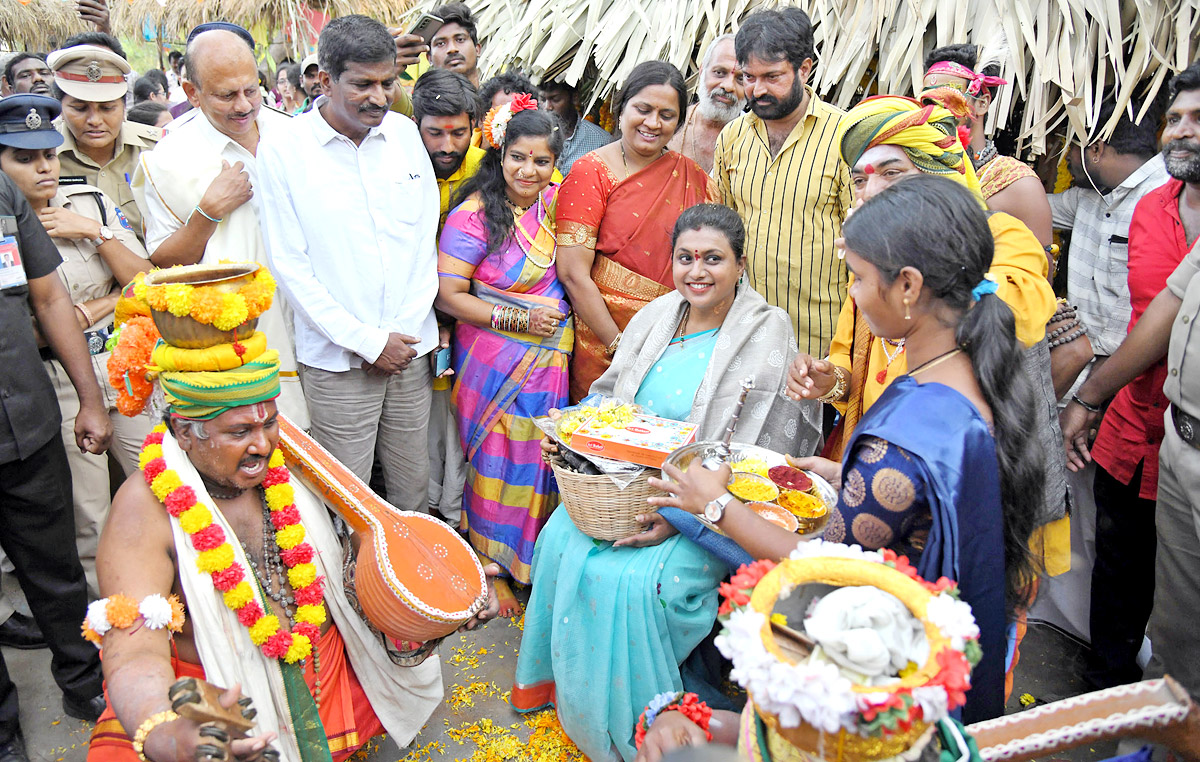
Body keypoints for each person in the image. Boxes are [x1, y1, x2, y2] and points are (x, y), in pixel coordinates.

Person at [656, 175, 1045, 723]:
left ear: (908, 285)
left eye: (858, 278)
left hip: (883, 661)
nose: (854, 295)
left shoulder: (903, 439)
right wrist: (850, 475)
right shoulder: (976, 373)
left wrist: (715, 503)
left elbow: (826, 566)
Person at [85, 275, 502, 761]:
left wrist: (445, 595)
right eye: (239, 431)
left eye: (268, 422)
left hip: (319, 658)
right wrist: (166, 732)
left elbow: (368, 556)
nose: (263, 445)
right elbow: (133, 649)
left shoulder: (295, 457)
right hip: (216, 691)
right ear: (185, 431)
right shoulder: (144, 507)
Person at [513, 204, 820, 762]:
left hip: (705, 509)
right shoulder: (658, 314)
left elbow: (752, 450)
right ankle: (572, 696)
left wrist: (677, 517)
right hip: (617, 490)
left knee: (631, 583)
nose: (697, 271)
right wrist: (574, 432)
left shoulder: (764, 327)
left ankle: (651, 723)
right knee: (559, 540)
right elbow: (609, 397)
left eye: (713, 259)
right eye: (686, 258)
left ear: (740, 264)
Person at [259, 16, 440, 513]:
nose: (379, 97)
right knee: (346, 500)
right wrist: (366, 341)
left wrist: (397, 337)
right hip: (338, 360)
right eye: (362, 84)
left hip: (408, 348)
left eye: (388, 82)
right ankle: (348, 591)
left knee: (412, 489)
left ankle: (410, 590)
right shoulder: (284, 151)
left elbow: (426, 240)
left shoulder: (405, 136)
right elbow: (290, 268)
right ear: (324, 79)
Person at [1061, 62, 1200, 705]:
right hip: (1138, 421)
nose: (1183, 133)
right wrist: (1090, 397)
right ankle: (1108, 703)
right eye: (1175, 119)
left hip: (1160, 419)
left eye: (1198, 120)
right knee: (1120, 567)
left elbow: (1143, 330)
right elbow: (1154, 325)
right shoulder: (1150, 207)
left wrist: (1088, 386)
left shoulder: (1152, 201)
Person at [0, 93, 152, 597]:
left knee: (164, 483)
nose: (43, 168)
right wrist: (99, 304)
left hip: (127, 364)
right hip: (60, 380)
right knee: (91, 515)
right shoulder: (8, 229)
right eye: (23, 159)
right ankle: (112, 624)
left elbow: (148, 282)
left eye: (47, 154)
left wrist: (96, 231)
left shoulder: (88, 201)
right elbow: (28, 327)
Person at [0, 97, 115, 762]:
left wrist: (90, 402)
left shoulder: (4, 199)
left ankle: (82, 681)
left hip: (26, 420)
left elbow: (48, 297)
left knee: (55, 569)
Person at [130, 24, 310, 428]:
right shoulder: (168, 158)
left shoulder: (294, 133)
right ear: (191, 92)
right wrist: (208, 213)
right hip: (237, 350)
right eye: (227, 95)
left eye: (252, 89)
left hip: (319, 335)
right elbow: (164, 265)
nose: (244, 105)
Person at [437, 103, 568, 606]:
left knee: (540, 457)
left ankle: (529, 561)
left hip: (550, 358)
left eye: (540, 161)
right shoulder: (472, 215)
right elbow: (449, 296)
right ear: (499, 152)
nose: (527, 171)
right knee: (497, 454)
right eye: (517, 157)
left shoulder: (559, 204)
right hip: (492, 358)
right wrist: (518, 319)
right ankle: (491, 561)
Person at [555, 60, 718, 402]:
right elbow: (572, 273)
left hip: (673, 343)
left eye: (667, 115)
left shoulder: (694, 178)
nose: (653, 123)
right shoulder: (590, 172)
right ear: (621, 107)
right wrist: (621, 347)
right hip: (602, 343)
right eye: (642, 109)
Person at [713, 8, 852, 359]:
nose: (757, 90)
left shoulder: (844, 137)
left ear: (804, 69)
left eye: (772, 76)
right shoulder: (732, 137)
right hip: (745, 332)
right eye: (749, 77)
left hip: (820, 338)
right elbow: (723, 231)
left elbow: (861, 243)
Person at [412, 68, 481, 528]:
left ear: (474, 128)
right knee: (428, 417)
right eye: (434, 133)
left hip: (475, 313)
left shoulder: (490, 167)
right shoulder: (402, 165)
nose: (446, 145)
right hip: (417, 314)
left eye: (458, 133)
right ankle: (432, 505)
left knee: (463, 413)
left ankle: (461, 509)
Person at [921, 44, 1054, 248]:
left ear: (981, 104)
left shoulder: (1016, 184)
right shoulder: (911, 167)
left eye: (948, 99)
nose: (935, 111)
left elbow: (1037, 277)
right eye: (928, 101)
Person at [48, 44, 161, 243]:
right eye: (80, 108)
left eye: (107, 108)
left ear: (124, 106)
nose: (95, 120)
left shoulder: (157, 148)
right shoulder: (43, 157)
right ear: (61, 110)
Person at [666, 34, 745, 174]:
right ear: (702, 70)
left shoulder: (755, 140)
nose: (728, 86)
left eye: (741, 78)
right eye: (719, 72)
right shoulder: (668, 124)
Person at [539, 79, 615, 175]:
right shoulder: (532, 135)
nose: (547, 107)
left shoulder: (601, 141)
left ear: (575, 97)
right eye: (543, 100)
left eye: (555, 99)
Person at [429, 3, 482, 88]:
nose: (452, 49)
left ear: (477, 49)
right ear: (429, 58)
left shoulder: (502, 99)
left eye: (460, 40)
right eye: (441, 44)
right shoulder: (421, 101)